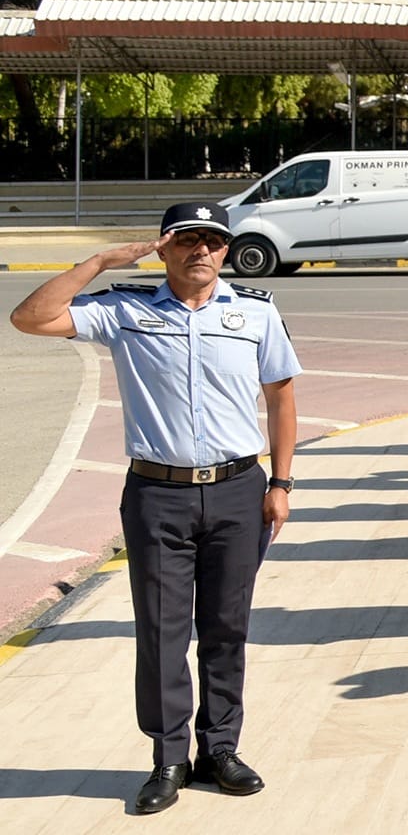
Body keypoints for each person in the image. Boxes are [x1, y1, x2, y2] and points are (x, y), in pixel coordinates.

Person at [9, 203, 299, 815]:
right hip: (156, 495)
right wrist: (98, 261)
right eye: (187, 240)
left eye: (213, 241)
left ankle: (220, 749)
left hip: (238, 489)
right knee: (163, 633)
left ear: (225, 250)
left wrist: (282, 483)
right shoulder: (124, 310)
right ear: (163, 249)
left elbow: (280, 396)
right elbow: (28, 318)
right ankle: (168, 758)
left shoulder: (255, 312)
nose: (202, 251)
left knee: (226, 627)